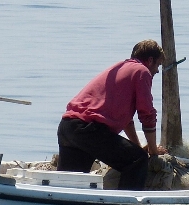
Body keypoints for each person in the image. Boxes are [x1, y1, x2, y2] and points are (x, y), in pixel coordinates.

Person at [57, 40, 167, 190]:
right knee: (137, 160)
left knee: (69, 185)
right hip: (89, 130)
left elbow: (127, 121)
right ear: (150, 60)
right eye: (158, 65)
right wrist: (153, 151)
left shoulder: (122, 68)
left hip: (69, 127)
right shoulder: (142, 71)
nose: (157, 71)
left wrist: (137, 146)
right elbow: (147, 114)